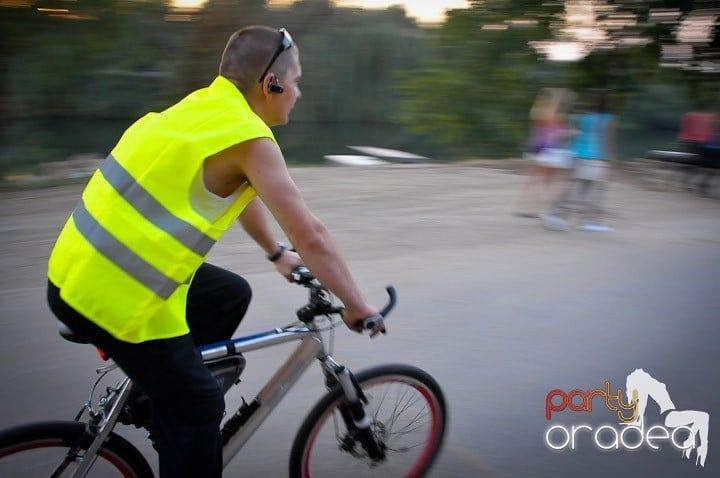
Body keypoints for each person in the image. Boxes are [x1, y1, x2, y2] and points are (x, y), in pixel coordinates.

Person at [46, 25, 381, 478]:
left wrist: (276, 254)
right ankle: (180, 416)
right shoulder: (249, 137)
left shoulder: (203, 109)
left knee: (229, 294)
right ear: (272, 84)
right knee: (201, 406)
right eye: (297, 81)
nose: (298, 92)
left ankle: (162, 399)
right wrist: (358, 307)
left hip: (73, 271)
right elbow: (313, 236)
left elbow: (239, 192)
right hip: (113, 298)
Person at [540, 89, 616, 232]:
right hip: (596, 157)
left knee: (570, 188)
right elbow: (608, 141)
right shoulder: (608, 119)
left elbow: (571, 134)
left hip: (576, 155)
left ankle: (555, 214)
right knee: (592, 190)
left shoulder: (580, 117)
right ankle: (588, 221)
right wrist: (610, 161)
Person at [514, 88, 576, 218]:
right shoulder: (555, 117)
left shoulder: (537, 113)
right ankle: (550, 208)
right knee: (550, 182)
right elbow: (562, 132)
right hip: (547, 151)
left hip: (534, 148)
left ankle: (525, 208)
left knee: (534, 180)